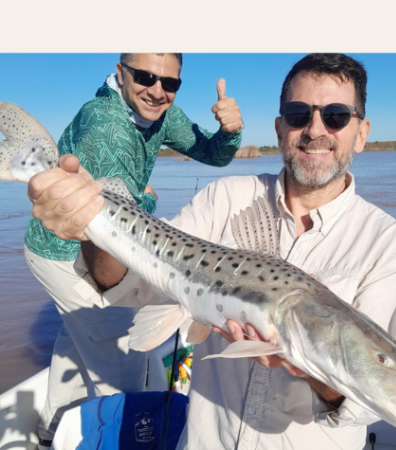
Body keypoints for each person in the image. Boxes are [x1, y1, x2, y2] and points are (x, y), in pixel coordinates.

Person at [28, 53, 396, 450]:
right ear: (279, 128)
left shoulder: (389, 247)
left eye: (336, 116)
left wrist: (306, 367)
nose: (315, 129)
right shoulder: (223, 199)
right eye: (298, 114)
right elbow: (130, 287)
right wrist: (90, 227)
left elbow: (369, 404)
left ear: (361, 133)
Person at [23, 53, 243, 445]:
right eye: (144, 77)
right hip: (68, 252)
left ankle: (51, 432)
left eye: (170, 83)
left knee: (76, 339)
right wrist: (149, 200)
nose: (157, 91)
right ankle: (121, 437)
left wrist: (229, 133)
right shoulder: (107, 127)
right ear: (121, 72)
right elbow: (115, 226)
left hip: (81, 243)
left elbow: (213, 154)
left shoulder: (160, 111)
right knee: (122, 365)